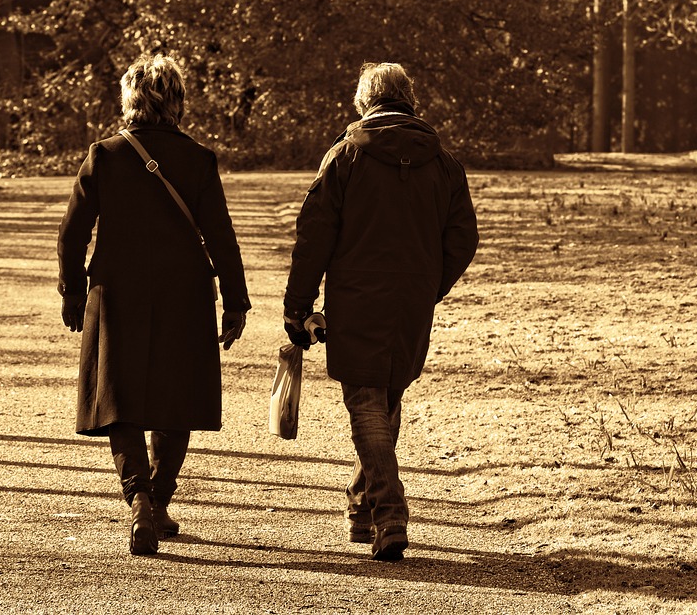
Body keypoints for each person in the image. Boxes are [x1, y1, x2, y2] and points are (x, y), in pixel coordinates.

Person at [283, 62, 479, 561]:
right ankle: (361, 507)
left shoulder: (346, 156)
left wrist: (297, 307)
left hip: (357, 296)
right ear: (409, 100)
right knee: (384, 398)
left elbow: (314, 235)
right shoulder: (444, 163)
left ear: (363, 103)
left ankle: (389, 513)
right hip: (411, 300)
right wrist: (429, 286)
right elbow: (463, 238)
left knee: (367, 401)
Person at [57, 52, 251, 556]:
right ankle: (159, 498)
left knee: (118, 398)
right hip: (184, 291)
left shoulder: (104, 155)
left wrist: (73, 290)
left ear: (129, 100)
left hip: (116, 290)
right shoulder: (199, 160)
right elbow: (221, 237)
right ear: (178, 101)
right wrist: (236, 301)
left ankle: (139, 498)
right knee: (177, 397)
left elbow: (72, 232)